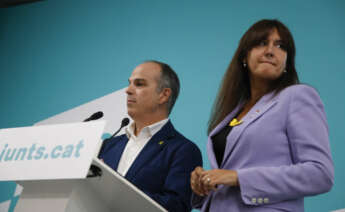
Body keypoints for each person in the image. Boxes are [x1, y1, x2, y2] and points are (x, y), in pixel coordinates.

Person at [190, 19, 334, 212]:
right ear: (244, 56)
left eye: (280, 46)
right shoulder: (235, 110)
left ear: (286, 62)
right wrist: (204, 181)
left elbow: (320, 174)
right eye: (261, 43)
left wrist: (238, 177)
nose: (270, 51)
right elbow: (231, 171)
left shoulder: (297, 96)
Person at [99, 60, 203, 212]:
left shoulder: (183, 150)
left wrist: (119, 193)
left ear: (163, 95)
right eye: (129, 83)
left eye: (139, 84)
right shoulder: (108, 145)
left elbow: (176, 206)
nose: (128, 90)